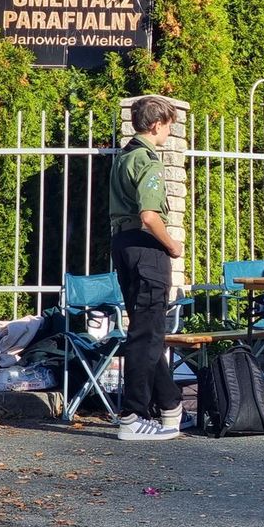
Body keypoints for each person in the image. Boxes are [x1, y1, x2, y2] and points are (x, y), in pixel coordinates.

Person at [109, 95, 185, 441]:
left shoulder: (123, 156)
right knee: (148, 333)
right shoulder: (148, 162)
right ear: (157, 125)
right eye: (169, 124)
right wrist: (171, 245)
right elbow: (149, 215)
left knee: (144, 330)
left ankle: (170, 406)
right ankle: (133, 415)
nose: (170, 130)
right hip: (146, 250)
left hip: (122, 245)